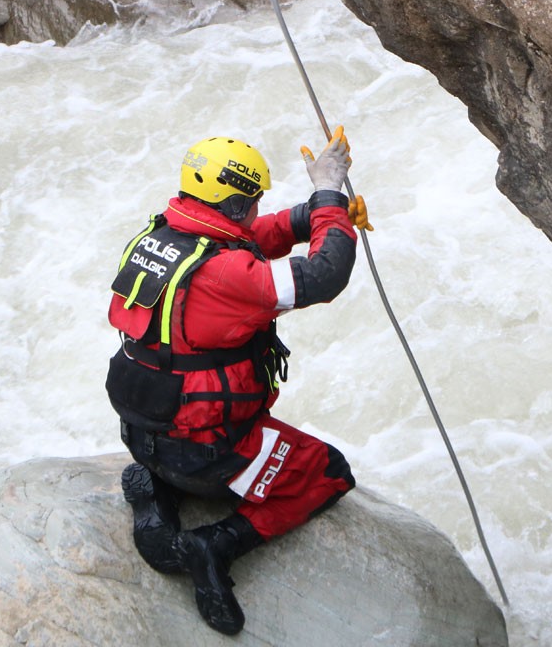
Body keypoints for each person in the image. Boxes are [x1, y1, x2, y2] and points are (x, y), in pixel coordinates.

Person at [104, 127, 371, 635]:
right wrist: (331, 200)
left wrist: (316, 212)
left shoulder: (159, 235)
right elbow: (324, 275)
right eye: (251, 202)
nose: (255, 211)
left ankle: (157, 491)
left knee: (184, 405)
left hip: (143, 433)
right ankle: (217, 543)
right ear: (229, 205)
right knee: (329, 472)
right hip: (210, 455)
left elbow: (253, 236)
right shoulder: (227, 275)